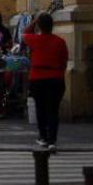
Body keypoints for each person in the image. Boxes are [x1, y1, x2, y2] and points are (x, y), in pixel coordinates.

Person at [23, 11, 69, 149]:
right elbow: (64, 61)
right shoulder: (60, 42)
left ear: (39, 26)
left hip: (38, 78)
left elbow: (24, 33)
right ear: (52, 26)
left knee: (40, 108)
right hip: (56, 78)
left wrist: (34, 22)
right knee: (53, 110)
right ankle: (52, 140)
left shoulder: (34, 39)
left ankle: (43, 136)